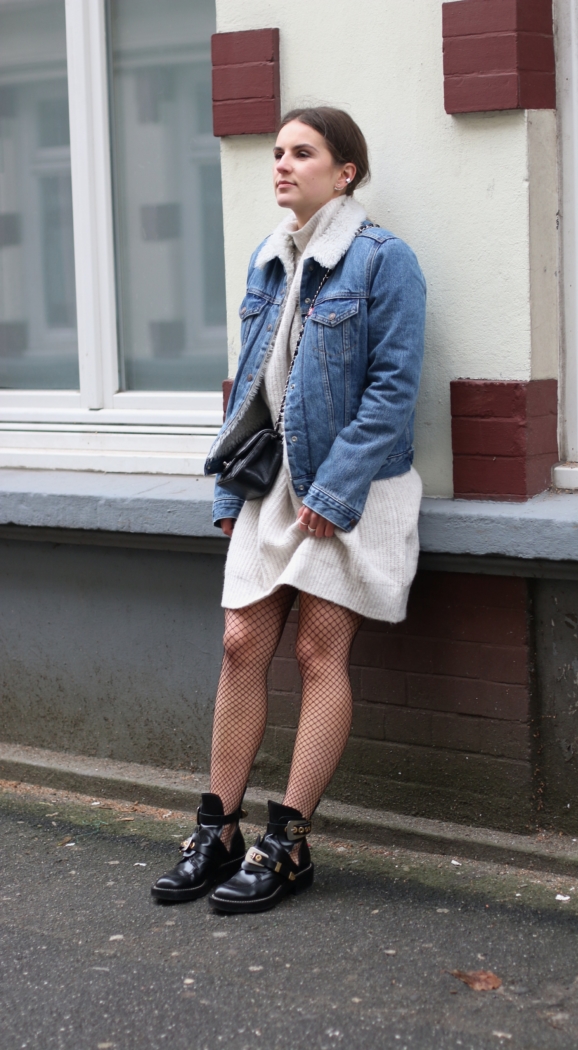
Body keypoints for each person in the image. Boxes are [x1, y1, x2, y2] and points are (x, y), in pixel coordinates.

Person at [152, 106, 426, 914]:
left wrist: (336, 493)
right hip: (273, 484)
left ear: (345, 172)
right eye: (275, 151)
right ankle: (218, 827)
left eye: (301, 152)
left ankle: (290, 841)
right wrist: (228, 492)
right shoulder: (268, 261)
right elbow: (247, 392)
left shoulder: (384, 260)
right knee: (241, 643)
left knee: (316, 654)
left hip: (353, 488)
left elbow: (392, 393)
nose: (281, 164)